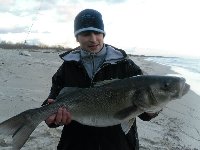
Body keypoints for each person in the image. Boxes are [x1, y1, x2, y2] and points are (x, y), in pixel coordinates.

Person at [42, 9, 160, 150]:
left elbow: (145, 114)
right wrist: (51, 119)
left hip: (119, 144)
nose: (93, 39)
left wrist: (153, 108)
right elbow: (53, 100)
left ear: (103, 34)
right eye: (86, 34)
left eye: (97, 33)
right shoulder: (67, 68)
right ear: (76, 37)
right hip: (75, 143)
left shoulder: (125, 65)